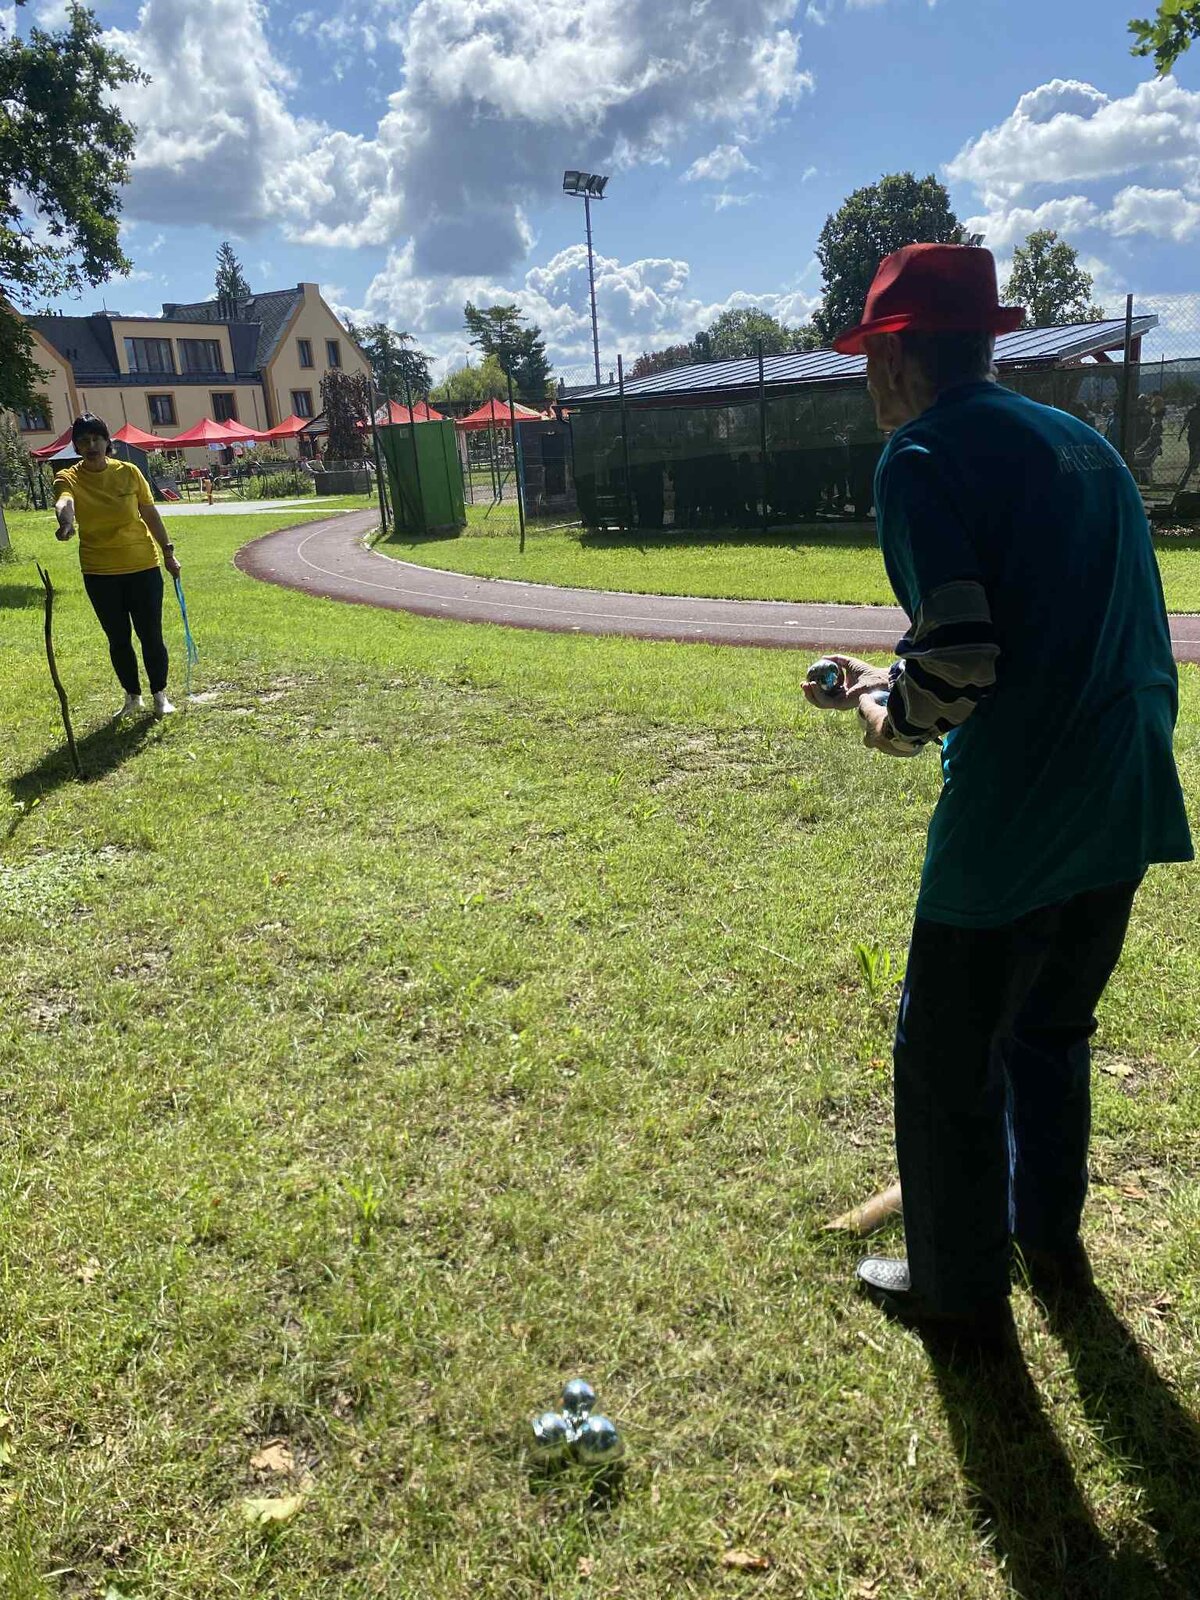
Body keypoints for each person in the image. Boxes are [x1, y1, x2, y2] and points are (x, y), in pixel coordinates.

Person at [804, 245, 1192, 1346]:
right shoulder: (1081, 443)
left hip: (1020, 814)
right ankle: (1046, 1237)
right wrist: (896, 671)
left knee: (945, 1062)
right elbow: (1046, 620)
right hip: (1127, 794)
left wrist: (883, 715)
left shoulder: (920, 455)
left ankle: (958, 1292)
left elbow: (963, 663)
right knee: (1050, 1033)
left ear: (895, 355)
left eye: (867, 358)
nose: (867, 381)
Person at [53, 414, 182, 718]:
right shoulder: (68, 477)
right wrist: (66, 523)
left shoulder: (129, 472)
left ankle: (160, 695)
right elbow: (65, 501)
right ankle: (133, 697)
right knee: (118, 639)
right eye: (84, 441)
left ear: (107, 442)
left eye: (96, 439)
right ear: (76, 447)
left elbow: (150, 513)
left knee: (151, 635)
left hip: (143, 566)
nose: (91, 446)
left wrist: (168, 552)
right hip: (100, 572)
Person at [1170, 395, 1200, 510]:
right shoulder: (1192, 411)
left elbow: (1185, 423)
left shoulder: (1192, 411)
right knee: (1193, 451)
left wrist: (1181, 433)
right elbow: (1186, 423)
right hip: (1193, 434)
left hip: (1193, 434)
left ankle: (1194, 466)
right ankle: (1193, 467)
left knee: (1194, 451)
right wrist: (1180, 433)